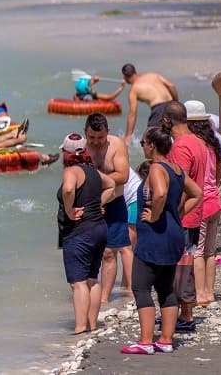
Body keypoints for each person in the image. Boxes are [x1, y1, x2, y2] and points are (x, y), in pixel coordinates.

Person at [121, 126, 202, 355]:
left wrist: (155, 216)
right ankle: (165, 340)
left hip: (156, 235)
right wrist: (178, 213)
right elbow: (197, 193)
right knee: (165, 287)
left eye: (143, 143)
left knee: (141, 285)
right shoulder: (176, 169)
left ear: (152, 145)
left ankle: (146, 341)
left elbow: (159, 194)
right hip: (173, 233)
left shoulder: (157, 167)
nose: (143, 146)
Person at [56, 133, 116, 335]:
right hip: (99, 228)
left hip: (79, 231)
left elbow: (68, 190)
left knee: (78, 282)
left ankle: (80, 326)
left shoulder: (71, 171)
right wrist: (100, 203)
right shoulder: (94, 172)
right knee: (92, 279)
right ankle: (91, 325)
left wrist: (69, 209)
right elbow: (112, 185)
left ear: (66, 153)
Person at [161, 100, 207, 332]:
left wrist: (172, 213)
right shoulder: (198, 142)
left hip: (183, 214)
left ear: (168, 120)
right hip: (196, 211)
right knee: (186, 262)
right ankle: (184, 313)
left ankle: (185, 316)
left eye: (163, 120)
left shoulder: (180, 146)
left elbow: (180, 184)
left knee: (179, 265)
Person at [83, 113, 133, 305]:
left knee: (109, 252)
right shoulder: (80, 146)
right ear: (85, 133)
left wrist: (96, 177)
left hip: (114, 203)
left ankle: (104, 298)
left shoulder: (116, 145)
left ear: (107, 133)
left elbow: (123, 175)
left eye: (100, 138)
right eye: (91, 137)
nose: (95, 142)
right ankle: (85, 294)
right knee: (87, 252)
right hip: (89, 204)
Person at [185, 100, 221, 306]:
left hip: (200, 203)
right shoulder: (213, 143)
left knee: (197, 252)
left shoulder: (191, 144)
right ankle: (209, 293)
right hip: (215, 201)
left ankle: (199, 294)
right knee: (210, 251)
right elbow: (218, 175)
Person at [121, 63, 179, 146]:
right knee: (174, 136)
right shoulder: (153, 75)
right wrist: (176, 104)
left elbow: (132, 114)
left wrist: (128, 136)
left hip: (159, 109)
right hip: (172, 105)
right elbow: (171, 86)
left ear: (125, 77)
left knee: (148, 142)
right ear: (135, 72)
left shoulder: (134, 89)